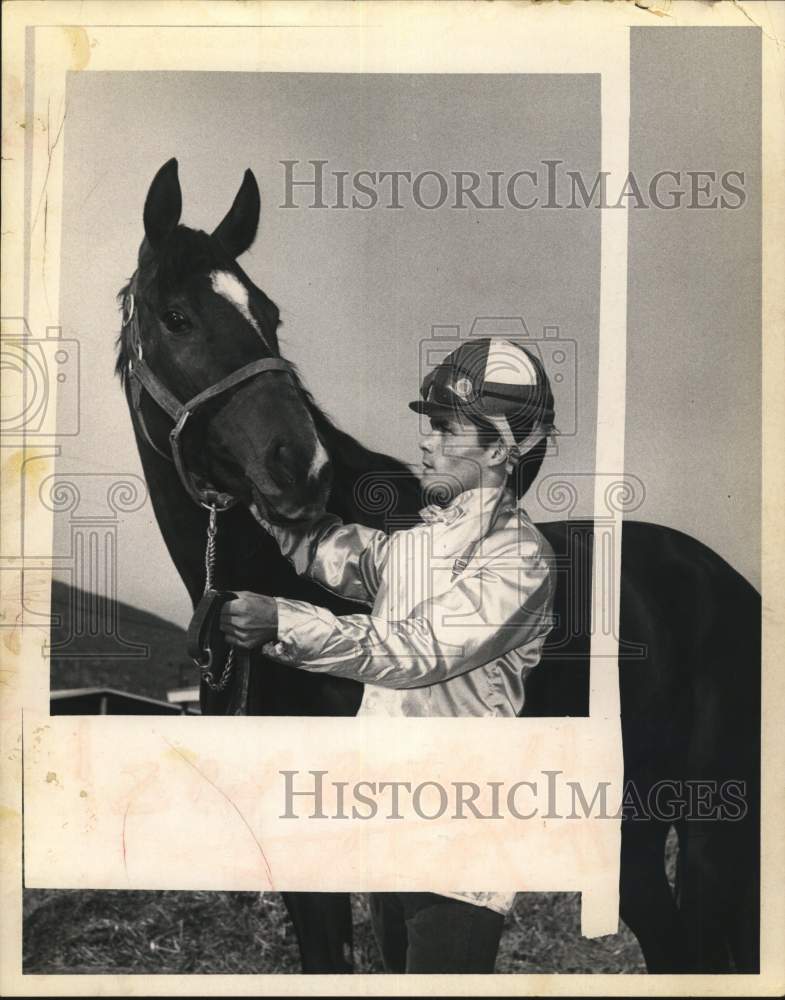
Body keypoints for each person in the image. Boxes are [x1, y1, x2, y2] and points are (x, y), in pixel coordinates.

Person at [220, 337, 558, 973]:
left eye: (444, 427)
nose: (424, 442)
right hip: (387, 822)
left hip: (459, 843)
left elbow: (417, 652)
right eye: (427, 425)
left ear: (501, 447)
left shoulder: (522, 557)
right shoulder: (413, 549)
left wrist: (281, 621)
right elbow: (333, 551)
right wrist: (256, 498)